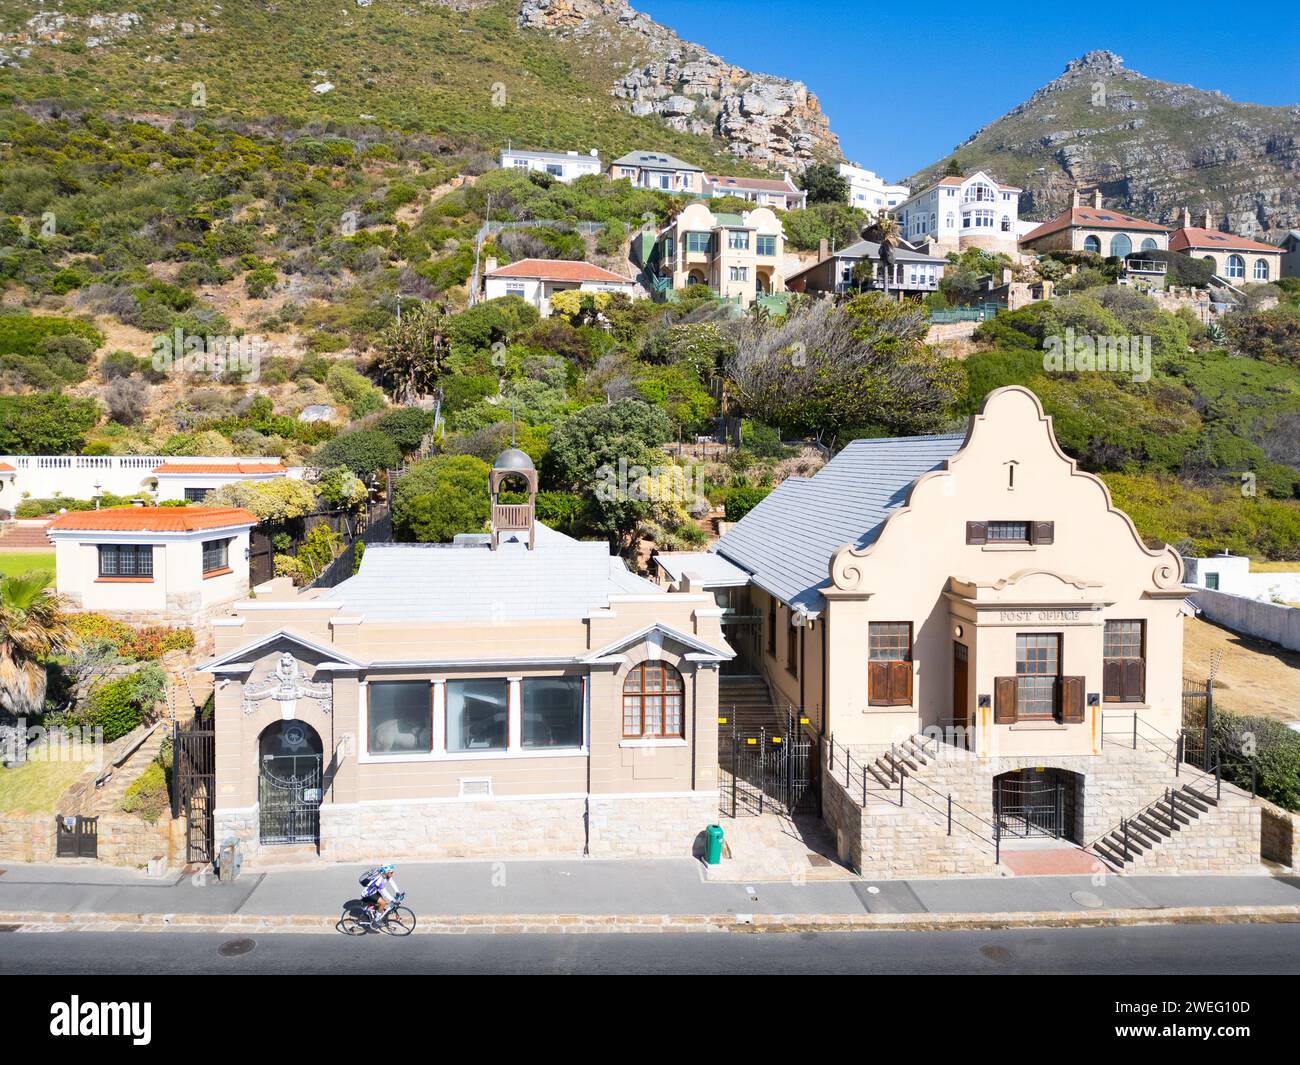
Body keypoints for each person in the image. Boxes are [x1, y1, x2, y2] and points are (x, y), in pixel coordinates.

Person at [360, 863, 401, 928]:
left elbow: (392, 883)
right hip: (368, 894)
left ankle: (371, 910)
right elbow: (385, 892)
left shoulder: (386, 875)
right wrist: (393, 900)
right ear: (387, 872)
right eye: (391, 872)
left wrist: (397, 892)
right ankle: (376, 919)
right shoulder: (379, 880)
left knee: (383, 903)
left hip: (373, 892)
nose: (393, 874)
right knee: (383, 903)